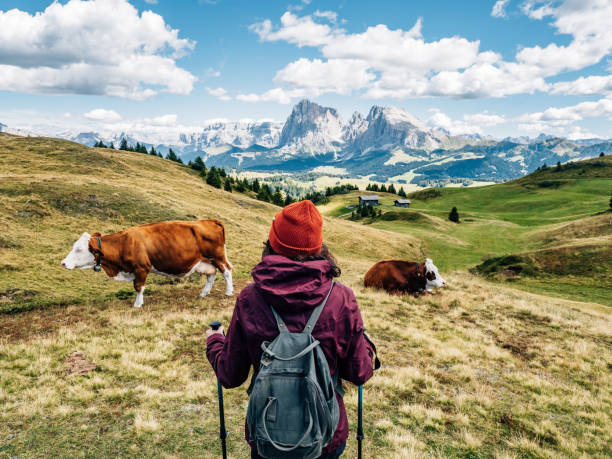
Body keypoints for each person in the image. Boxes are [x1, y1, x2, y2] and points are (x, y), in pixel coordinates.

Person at [206, 200, 376, 458]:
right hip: (325, 437)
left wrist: (215, 341)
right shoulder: (341, 298)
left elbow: (230, 375)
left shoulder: (250, 298)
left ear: (272, 243)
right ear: (319, 246)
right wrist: (367, 346)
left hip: (267, 436)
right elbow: (360, 373)